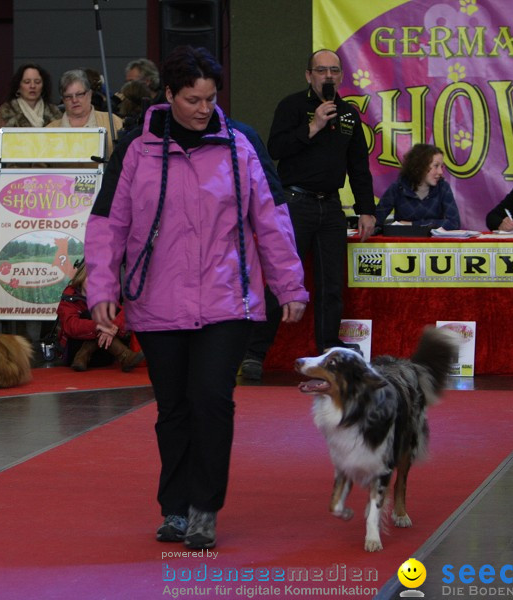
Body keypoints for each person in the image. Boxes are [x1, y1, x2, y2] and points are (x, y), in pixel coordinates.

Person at [85, 46, 308, 550]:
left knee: (212, 400)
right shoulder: (135, 147)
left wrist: (289, 284)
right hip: (156, 300)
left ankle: (204, 508)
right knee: (175, 408)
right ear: (168, 95)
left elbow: (269, 217)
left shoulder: (241, 142)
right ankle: (175, 509)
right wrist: (101, 287)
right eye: (191, 99)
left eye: (210, 98)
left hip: (228, 300)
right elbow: (108, 224)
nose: (203, 108)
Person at [240, 48, 376, 381]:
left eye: (334, 71)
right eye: (321, 71)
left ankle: (329, 351)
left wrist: (366, 210)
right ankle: (255, 354)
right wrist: (313, 126)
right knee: (279, 280)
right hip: (295, 204)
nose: (328, 76)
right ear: (308, 75)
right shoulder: (291, 107)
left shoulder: (347, 115)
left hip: (331, 207)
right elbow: (274, 150)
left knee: (331, 285)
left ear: (341, 77)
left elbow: (359, 165)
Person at [57, 260, 143, 372]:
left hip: (102, 356)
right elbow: (70, 326)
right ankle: (124, 355)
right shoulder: (69, 296)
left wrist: (113, 325)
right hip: (73, 354)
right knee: (93, 314)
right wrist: (97, 326)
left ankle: (83, 354)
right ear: (81, 277)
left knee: (110, 311)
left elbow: (126, 312)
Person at [376, 143, 460, 230]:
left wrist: (412, 224)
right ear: (419, 167)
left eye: (441, 166)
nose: (440, 172)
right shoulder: (397, 188)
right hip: (403, 242)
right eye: (436, 166)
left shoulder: (443, 187)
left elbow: (454, 223)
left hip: (433, 243)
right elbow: (376, 220)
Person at [48, 70, 124, 162]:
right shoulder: (49, 130)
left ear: (90, 94)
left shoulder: (114, 122)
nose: (74, 100)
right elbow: (39, 170)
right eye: (68, 96)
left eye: (79, 94)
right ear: (63, 100)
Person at [0, 63, 62, 154]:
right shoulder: (6, 113)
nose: (32, 86)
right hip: (16, 167)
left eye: (37, 82)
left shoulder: (54, 113)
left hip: (49, 166)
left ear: (43, 86)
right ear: (18, 87)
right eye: (27, 82)